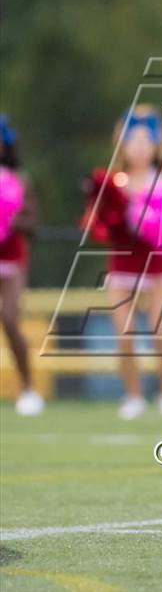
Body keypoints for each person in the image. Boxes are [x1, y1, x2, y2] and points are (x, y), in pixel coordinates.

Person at [83, 105, 162, 421]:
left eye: (146, 141)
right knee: (125, 334)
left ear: (156, 146)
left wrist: (154, 221)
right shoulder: (113, 183)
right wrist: (113, 215)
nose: (139, 148)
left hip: (157, 268)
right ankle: (133, 396)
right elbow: (93, 224)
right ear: (122, 144)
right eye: (132, 141)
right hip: (122, 267)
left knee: (161, 333)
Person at [0, 115, 44, 416]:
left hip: (12, 261)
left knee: (10, 319)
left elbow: (33, 224)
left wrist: (11, 220)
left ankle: (27, 387)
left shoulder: (19, 180)